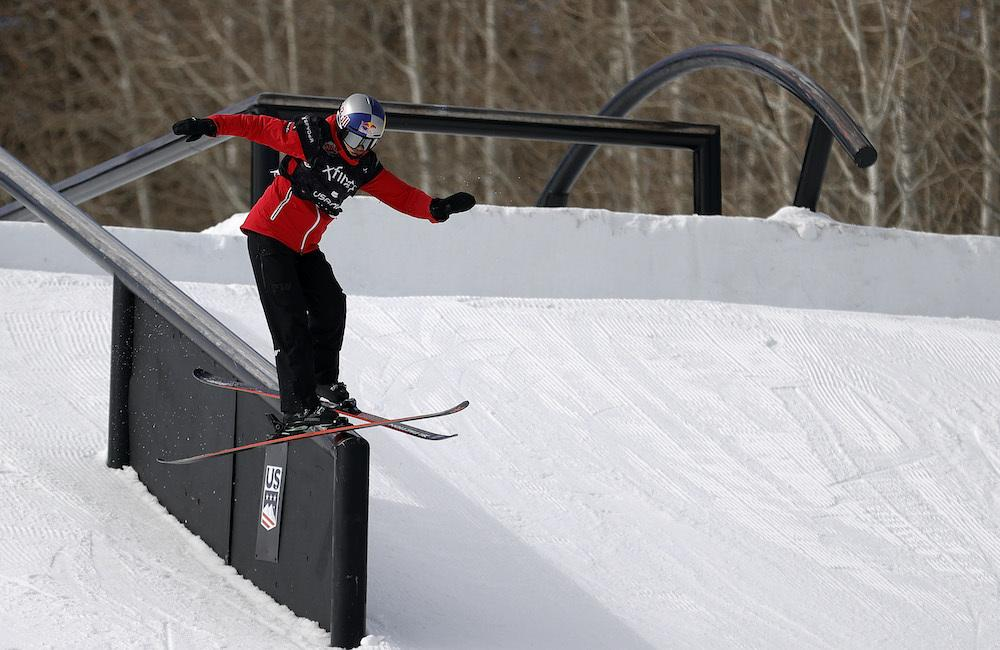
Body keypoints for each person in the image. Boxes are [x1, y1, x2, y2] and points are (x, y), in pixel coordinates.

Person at [172, 93, 476, 434]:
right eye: (357, 138)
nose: (361, 147)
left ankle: (321, 384)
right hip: (270, 238)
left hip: (304, 248)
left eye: (370, 141)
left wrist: (435, 208)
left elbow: (399, 194)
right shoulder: (310, 138)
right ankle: (298, 409)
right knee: (291, 324)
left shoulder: (363, 167)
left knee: (331, 305)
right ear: (343, 126)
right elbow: (256, 126)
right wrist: (211, 124)